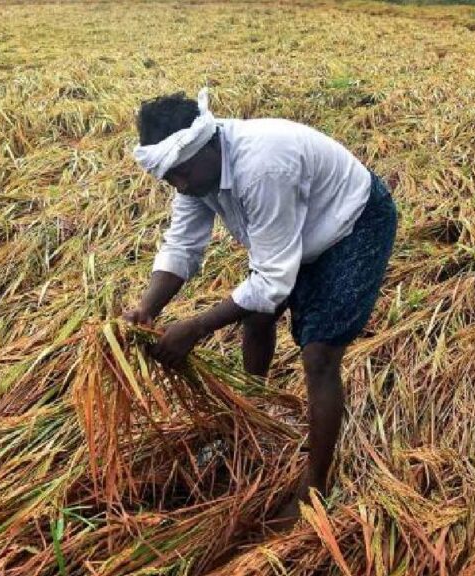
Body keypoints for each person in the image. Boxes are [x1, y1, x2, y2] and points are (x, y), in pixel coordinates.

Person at [122, 88, 398, 527]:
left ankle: (314, 487)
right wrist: (147, 309)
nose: (182, 186)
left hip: (352, 222)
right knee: (257, 313)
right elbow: (182, 246)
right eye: (171, 178)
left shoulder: (263, 165)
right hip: (296, 229)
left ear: (208, 144)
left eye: (184, 174)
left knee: (319, 354)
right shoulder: (193, 173)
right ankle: (252, 420)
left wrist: (195, 327)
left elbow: (272, 281)